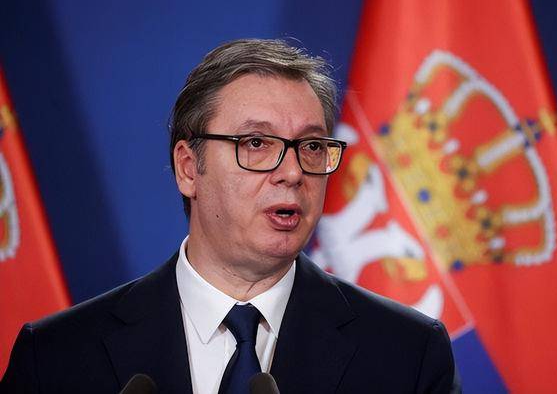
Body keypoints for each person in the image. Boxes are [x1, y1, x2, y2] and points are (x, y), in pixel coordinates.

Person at [1, 39, 456, 393]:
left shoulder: (407, 354)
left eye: (312, 146)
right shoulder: (57, 358)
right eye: (256, 143)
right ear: (188, 168)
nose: (294, 172)